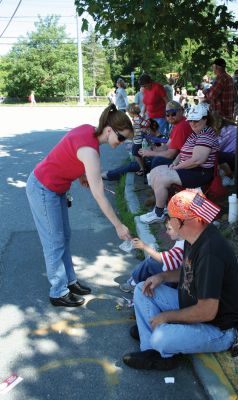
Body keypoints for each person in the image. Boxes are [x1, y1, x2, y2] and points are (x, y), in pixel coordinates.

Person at [123, 189, 238, 370]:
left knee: (160, 336)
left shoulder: (211, 253)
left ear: (188, 221)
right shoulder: (196, 235)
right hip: (192, 304)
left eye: (171, 217)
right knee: (143, 289)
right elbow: (188, 270)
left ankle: (160, 347)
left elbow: (207, 312)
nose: (168, 222)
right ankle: (152, 350)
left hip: (219, 328)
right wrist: (162, 276)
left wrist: (166, 316)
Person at [26, 104, 133, 307]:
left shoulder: (87, 131)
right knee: (54, 241)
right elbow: (99, 195)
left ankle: (70, 281)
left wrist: (82, 173)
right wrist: (119, 226)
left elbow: (69, 152)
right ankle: (58, 292)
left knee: (64, 237)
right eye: (121, 137)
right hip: (42, 188)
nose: (121, 142)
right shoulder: (90, 152)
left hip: (55, 189)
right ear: (109, 130)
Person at [140, 104, 219, 224]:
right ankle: (164, 205)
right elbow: (182, 151)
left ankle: (158, 213)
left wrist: (177, 167)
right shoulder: (196, 133)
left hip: (199, 173)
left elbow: (197, 160)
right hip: (189, 169)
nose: (192, 123)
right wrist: (176, 162)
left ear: (205, 119)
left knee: (162, 178)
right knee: (155, 171)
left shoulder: (205, 135)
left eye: (196, 120)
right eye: (191, 120)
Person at [119, 216, 184, 293]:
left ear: (180, 228)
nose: (166, 232)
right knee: (152, 260)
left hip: (174, 280)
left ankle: (134, 283)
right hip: (175, 276)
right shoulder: (183, 240)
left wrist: (145, 247)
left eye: (169, 229)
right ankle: (135, 279)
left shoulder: (182, 246)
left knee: (150, 263)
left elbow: (162, 259)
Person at [138, 101, 192, 171]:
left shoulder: (181, 126)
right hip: (179, 158)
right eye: (167, 114)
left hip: (183, 162)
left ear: (181, 111)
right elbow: (167, 145)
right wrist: (152, 149)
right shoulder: (178, 124)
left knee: (157, 160)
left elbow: (170, 154)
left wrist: (150, 153)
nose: (170, 117)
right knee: (146, 159)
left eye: (173, 113)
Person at [126, 102, 151, 176]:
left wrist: (144, 128)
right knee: (137, 154)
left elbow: (146, 124)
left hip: (138, 140)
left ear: (132, 112)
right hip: (137, 139)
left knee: (136, 154)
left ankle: (142, 169)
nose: (128, 114)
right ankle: (143, 167)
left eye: (128, 113)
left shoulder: (138, 119)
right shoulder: (136, 118)